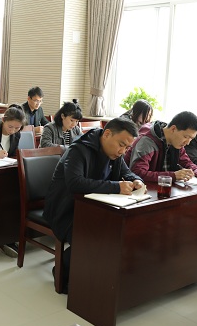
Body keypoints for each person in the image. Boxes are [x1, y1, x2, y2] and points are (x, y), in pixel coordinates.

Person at [43, 118, 144, 293]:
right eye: (121, 145)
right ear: (107, 134)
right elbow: (75, 183)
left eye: (127, 148)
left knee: (118, 232)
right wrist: (116, 187)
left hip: (95, 209)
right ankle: (62, 271)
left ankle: (103, 277)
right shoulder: (78, 149)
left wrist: (136, 180)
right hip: (66, 209)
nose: (122, 151)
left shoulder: (114, 153)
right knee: (94, 237)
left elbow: (126, 172)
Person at [125, 111, 197, 184]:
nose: (188, 143)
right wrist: (173, 176)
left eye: (191, 139)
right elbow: (137, 172)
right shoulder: (147, 141)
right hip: (139, 190)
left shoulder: (175, 141)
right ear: (173, 129)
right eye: (186, 137)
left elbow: (187, 163)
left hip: (161, 187)